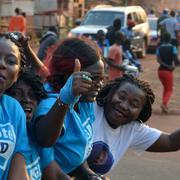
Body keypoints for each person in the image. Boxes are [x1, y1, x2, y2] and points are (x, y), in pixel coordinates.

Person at [33, 37, 105, 179]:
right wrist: (65, 99)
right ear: (69, 76)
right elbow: (44, 140)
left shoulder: (84, 100)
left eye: (101, 78)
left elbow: (75, 150)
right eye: (94, 78)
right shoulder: (52, 103)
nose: (99, 84)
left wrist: (90, 175)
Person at [87, 74, 180, 176]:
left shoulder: (131, 129)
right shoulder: (89, 109)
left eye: (134, 105)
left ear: (140, 113)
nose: (124, 105)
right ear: (111, 93)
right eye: (121, 97)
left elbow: (171, 142)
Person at [5, 69, 72, 180]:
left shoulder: (34, 132)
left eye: (32, 95)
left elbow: (55, 175)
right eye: (17, 94)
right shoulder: (5, 139)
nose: (27, 100)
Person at [0, 32, 30, 179]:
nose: (2, 64)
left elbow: (18, 169)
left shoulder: (14, 109)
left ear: (17, 74)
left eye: (11, 61)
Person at [156, 32, 179, 113]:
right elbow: (176, 60)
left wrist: (165, 65)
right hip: (168, 72)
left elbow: (158, 60)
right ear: (170, 39)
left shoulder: (159, 48)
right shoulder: (173, 47)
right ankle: (164, 104)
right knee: (169, 90)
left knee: (166, 88)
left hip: (160, 71)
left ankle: (164, 106)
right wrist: (172, 66)